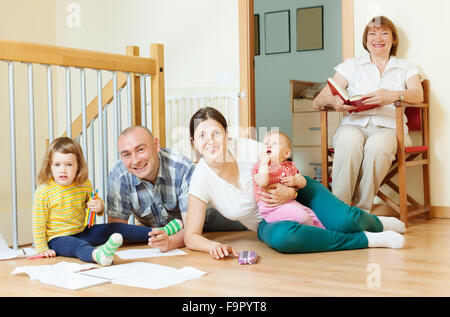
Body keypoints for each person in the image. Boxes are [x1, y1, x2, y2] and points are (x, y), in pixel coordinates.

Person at [183, 107, 407, 260]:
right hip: (266, 222)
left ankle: (377, 223)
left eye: (215, 133)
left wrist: (290, 191)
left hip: (298, 189)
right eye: (202, 136)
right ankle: (366, 240)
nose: (210, 141)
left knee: (345, 219)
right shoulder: (201, 178)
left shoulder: (249, 148)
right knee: (286, 239)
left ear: (226, 134)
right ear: (194, 142)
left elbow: (285, 163)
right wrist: (213, 246)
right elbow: (191, 235)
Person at [312, 16, 423, 212]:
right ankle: (338, 210)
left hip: (391, 129)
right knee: (348, 142)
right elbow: (318, 101)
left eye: (384, 33)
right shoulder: (350, 66)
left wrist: (393, 95)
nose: (377, 38)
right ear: (365, 40)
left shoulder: (407, 67)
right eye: (372, 33)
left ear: (393, 39)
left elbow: (417, 94)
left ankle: (360, 212)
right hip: (353, 125)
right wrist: (333, 101)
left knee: (377, 147)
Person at [107, 125, 246, 252]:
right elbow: (118, 234)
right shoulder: (119, 175)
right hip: (173, 231)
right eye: (127, 155)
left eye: (141, 149)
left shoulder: (182, 168)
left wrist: (170, 242)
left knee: (248, 218)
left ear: (156, 145)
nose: (135, 160)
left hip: (215, 216)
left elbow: (191, 230)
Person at [32, 137, 157, 266]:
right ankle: (98, 255)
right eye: (57, 165)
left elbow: (96, 205)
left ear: (78, 166)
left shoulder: (84, 185)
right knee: (79, 246)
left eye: (69, 164)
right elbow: (38, 224)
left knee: (115, 228)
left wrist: (99, 206)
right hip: (57, 239)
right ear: (50, 166)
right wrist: (43, 249)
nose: (62, 170)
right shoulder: (43, 192)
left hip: (83, 231)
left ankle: (158, 232)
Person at [252, 130, 325, 229]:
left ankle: (325, 234)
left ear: (286, 154)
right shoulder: (260, 167)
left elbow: (303, 183)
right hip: (271, 208)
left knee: (313, 215)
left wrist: (296, 180)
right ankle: (314, 235)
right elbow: (262, 182)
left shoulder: (289, 166)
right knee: (302, 217)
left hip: (289, 203)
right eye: (266, 144)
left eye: (274, 143)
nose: (268, 146)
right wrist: (264, 163)